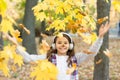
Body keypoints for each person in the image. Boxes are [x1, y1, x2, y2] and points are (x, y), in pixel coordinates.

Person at [5, 22, 110, 80]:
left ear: (70, 46)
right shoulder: (48, 58)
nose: (63, 45)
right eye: (60, 43)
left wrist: (100, 37)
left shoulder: (75, 58)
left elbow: (92, 53)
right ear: (55, 45)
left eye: (65, 43)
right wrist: (16, 46)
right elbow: (29, 58)